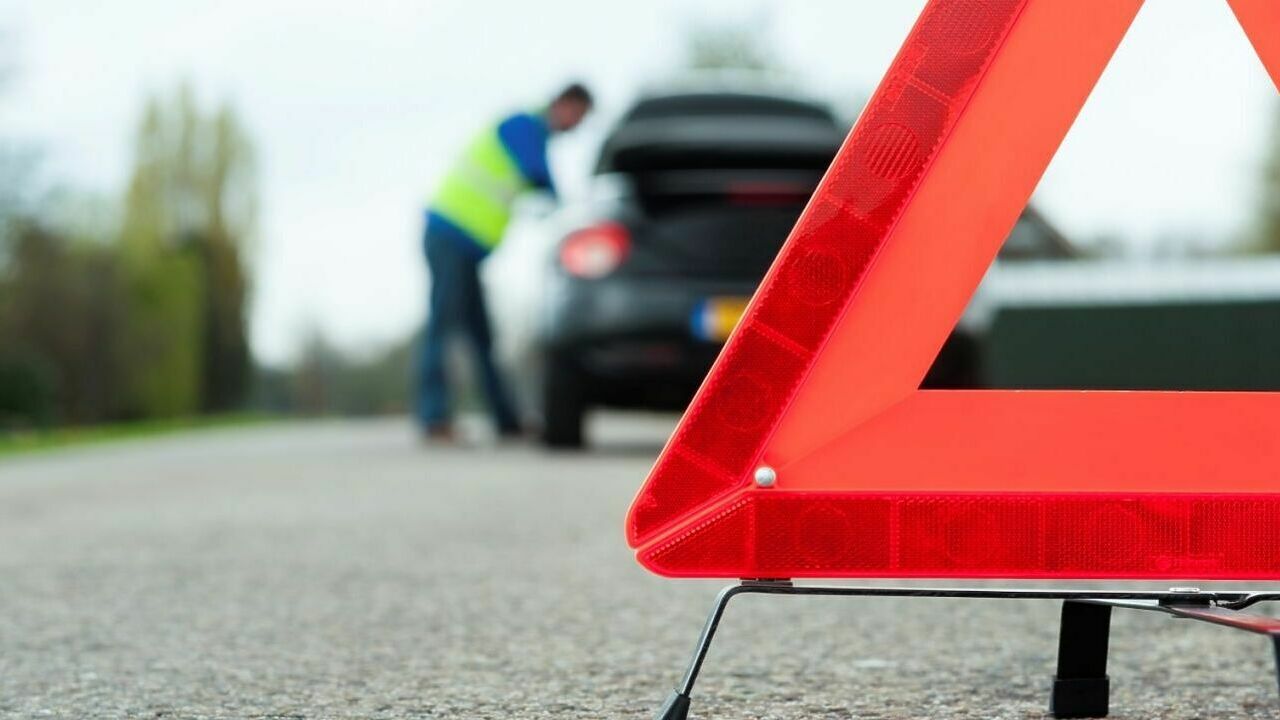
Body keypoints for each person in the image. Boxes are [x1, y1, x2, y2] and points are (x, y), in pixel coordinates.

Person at [417, 83, 593, 440]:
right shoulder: (522, 125)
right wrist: (570, 210)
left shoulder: (531, 133)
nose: (576, 126)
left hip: (464, 247)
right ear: (564, 103)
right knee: (444, 324)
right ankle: (433, 417)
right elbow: (538, 174)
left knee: (481, 335)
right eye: (578, 116)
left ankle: (506, 420)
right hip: (448, 234)